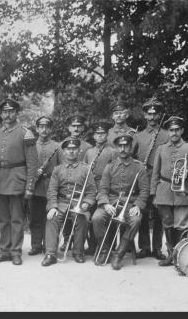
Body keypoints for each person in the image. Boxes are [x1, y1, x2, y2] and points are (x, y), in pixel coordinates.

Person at [0, 98, 38, 265]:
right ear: (0, 114)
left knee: (17, 218)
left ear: (16, 113)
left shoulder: (25, 133)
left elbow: (32, 162)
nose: (7, 115)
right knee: (2, 219)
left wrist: (30, 186)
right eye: (4, 112)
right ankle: (4, 250)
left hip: (17, 179)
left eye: (11, 111)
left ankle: (16, 251)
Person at [151, 116, 188, 267]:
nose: (174, 133)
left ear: (182, 130)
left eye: (177, 130)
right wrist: (154, 194)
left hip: (184, 192)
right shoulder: (161, 149)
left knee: (181, 225)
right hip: (164, 192)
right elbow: (155, 173)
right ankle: (171, 255)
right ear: (167, 132)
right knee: (167, 224)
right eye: (171, 130)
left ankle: (181, 256)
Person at [92, 133, 149, 270]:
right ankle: (105, 250)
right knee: (96, 218)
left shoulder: (139, 167)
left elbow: (144, 191)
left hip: (130, 204)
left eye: (126, 146)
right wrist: (105, 203)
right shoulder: (110, 166)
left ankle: (119, 254)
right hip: (111, 201)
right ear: (117, 148)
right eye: (120, 146)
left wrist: (138, 206)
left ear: (130, 147)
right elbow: (103, 188)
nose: (123, 149)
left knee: (135, 221)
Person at [41, 137, 96, 266]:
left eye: (74, 149)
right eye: (68, 149)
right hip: (61, 203)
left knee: (81, 219)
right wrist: (53, 207)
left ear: (79, 151)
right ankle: (50, 254)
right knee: (52, 219)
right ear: (64, 152)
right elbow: (52, 190)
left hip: (79, 203)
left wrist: (86, 203)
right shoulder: (57, 169)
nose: (71, 151)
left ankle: (78, 252)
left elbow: (92, 190)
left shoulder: (86, 168)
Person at [133, 97, 169, 260]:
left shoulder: (167, 135)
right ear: (145, 115)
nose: (153, 118)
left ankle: (157, 249)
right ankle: (145, 247)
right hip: (144, 181)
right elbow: (131, 158)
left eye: (156, 114)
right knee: (143, 213)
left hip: (161, 180)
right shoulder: (138, 136)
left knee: (160, 215)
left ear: (160, 114)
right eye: (149, 114)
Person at [58, 114, 93, 251]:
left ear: (83, 127)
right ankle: (67, 239)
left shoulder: (88, 147)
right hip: (65, 186)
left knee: (81, 215)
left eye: (79, 126)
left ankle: (80, 242)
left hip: (81, 187)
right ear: (69, 127)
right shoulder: (61, 145)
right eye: (73, 125)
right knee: (65, 209)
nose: (76, 128)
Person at [82, 121, 118, 255]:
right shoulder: (89, 151)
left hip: (106, 186)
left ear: (107, 135)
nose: (100, 136)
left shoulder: (113, 151)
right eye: (97, 134)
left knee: (107, 215)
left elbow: (115, 171)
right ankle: (92, 246)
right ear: (94, 136)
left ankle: (111, 246)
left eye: (103, 133)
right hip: (92, 186)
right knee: (91, 215)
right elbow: (84, 170)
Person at [28, 116, 61, 256]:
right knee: (35, 217)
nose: (44, 129)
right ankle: (36, 245)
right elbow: (27, 166)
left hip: (51, 187)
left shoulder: (57, 147)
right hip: (35, 187)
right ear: (37, 129)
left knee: (50, 218)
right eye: (41, 127)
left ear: (51, 129)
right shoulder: (31, 145)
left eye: (47, 127)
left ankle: (49, 246)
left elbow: (61, 168)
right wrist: (35, 172)